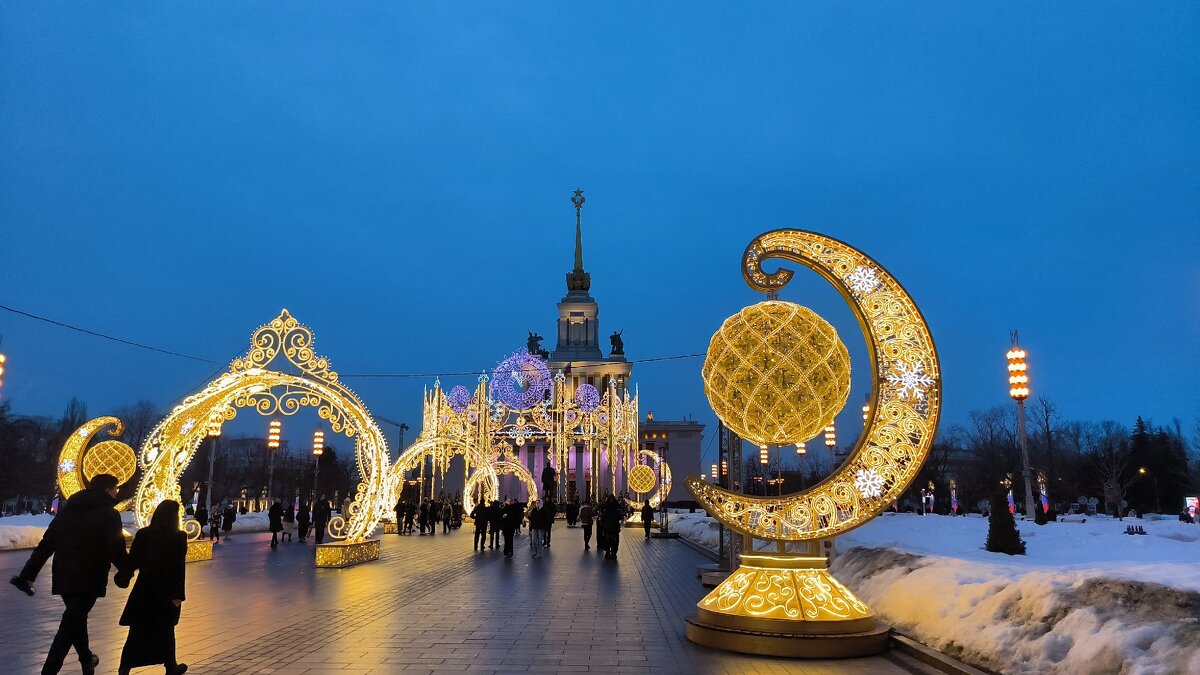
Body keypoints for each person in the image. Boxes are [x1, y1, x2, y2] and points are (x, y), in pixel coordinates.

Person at [9, 473, 130, 675]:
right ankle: (48, 671)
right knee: (70, 625)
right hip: (90, 577)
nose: (116, 492)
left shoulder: (68, 511)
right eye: (115, 488)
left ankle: (86, 660)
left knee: (75, 619)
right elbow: (116, 549)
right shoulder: (109, 514)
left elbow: (46, 544)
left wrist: (27, 575)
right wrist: (127, 569)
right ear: (108, 489)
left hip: (64, 575)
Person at [115, 500, 188, 675]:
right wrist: (178, 595)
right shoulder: (178, 536)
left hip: (145, 588)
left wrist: (125, 574)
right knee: (166, 630)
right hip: (167, 590)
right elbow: (179, 567)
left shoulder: (144, 534)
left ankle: (125, 667)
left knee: (137, 631)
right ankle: (170, 666)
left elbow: (133, 560)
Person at [600, 495, 623, 559]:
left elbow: (602, 520)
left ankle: (607, 553)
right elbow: (620, 517)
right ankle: (613, 553)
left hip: (607, 529)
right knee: (615, 542)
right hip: (614, 529)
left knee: (607, 542)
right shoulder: (616, 511)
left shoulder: (605, 512)